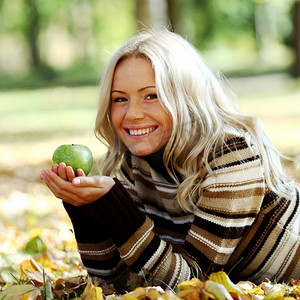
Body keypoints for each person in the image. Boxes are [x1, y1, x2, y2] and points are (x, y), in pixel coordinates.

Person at [40, 29, 300, 290]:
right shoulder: (134, 164)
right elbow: (113, 281)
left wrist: (118, 207)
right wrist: (85, 207)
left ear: (186, 97)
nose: (132, 114)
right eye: (120, 99)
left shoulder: (231, 154)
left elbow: (190, 284)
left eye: (151, 95)